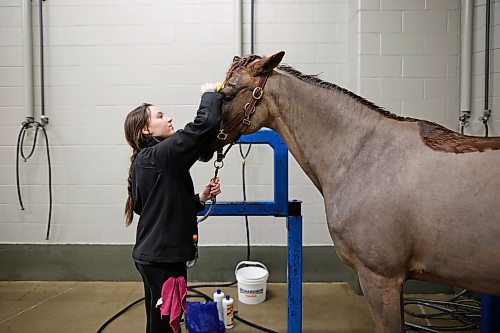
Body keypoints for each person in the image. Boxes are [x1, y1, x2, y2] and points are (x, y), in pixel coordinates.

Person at [123, 83, 223, 333]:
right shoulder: (159, 156)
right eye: (160, 116)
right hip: (163, 260)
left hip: (153, 258)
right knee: (167, 324)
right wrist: (209, 93)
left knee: (158, 322)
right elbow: (203, 126)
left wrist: (199, 198)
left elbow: (154, 207)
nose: (168, 118)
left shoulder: (144, 161)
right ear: (146, 129)